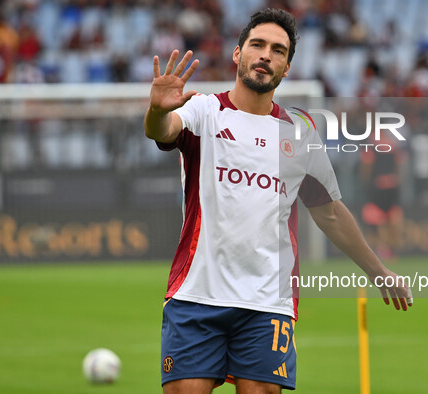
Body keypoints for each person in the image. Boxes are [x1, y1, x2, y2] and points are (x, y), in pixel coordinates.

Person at [144, 8, 412, 394]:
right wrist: (156, 109)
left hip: (268, 301)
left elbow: (331, 213)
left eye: (278, 50)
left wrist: (378, 270)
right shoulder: (205, 111)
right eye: (257, 45)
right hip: (197, 293)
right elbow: (162, 131)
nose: (266, 55)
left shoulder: (298, 134)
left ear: (287, 67)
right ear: (238, 54)